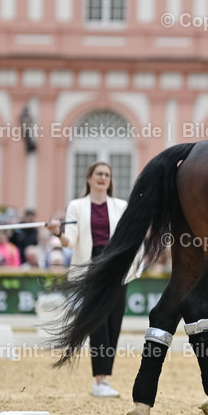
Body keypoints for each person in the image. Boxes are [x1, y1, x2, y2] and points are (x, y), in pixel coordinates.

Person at [48, 161, 130, 398]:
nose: (103, 178)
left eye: (107, 174)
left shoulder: (121, 206)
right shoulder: (77, 206)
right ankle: (100, 380)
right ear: (89, 178)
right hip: (92, 265)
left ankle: (104, 379)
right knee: (98, 321)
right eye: (99, 174)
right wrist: (58, 233)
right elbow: (70, 241)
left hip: (116, 265)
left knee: (115, 320)